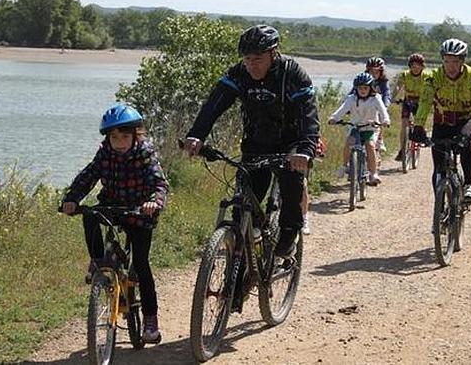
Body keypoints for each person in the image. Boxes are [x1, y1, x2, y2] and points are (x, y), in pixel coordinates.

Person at [183, 24, 320, 259]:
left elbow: (309, 116)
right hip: (256, 143)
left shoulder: (292, 74)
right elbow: (213, 106)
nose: (251, 65)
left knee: (291, 188)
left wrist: (306, 149)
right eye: (247, 59)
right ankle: (239, 277)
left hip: (290, 145)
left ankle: (289, 232)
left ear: (273, 53)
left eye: (257, 59)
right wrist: (197, 135)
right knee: (242, 210)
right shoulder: (239, 74)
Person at [61, 104, 169, 344]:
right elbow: (88, 176)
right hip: (112, 207)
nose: (119, 142)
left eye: (124, 136)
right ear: (108, 138)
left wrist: (154, 202)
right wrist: (71, 198)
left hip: (140, 212)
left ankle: (150, 320)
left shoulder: (145, 153)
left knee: (141, 264)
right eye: (114, 137)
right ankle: (98, 262)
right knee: (90, 215)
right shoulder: (105, 153)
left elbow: (159, 184)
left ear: (135, 135)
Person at [411, 38, 471, 202]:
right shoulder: (433, 78)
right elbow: (425, 101)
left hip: (465, 121)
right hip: (442, 122)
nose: (450, 66)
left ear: (462, 61)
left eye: (455, 61)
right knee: (438, 167)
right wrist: (418, 125)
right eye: (446, 61)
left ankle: (468, 184)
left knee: (466, 145)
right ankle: (440, 205)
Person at [329, 72, 390, 186]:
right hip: (355, 127)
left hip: (370, 128)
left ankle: (373, 173)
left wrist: (385, 120)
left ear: (371, 88)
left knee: (370, 146)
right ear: (356, 88)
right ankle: (345, 166)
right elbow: (342, 109)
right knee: (349, 143)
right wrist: (334, 118)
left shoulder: (376, 98)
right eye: (360, 88)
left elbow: (383, 111)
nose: (362, 90)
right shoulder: (351, 98)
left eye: (365, 88)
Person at [392, 53, 428, 161]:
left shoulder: (426, 76)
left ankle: (422, 135)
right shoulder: (405, 75)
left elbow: (432, 87)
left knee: (419, 122)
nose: (416, 68)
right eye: (413, 66)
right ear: (410, 66)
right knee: (404, 125)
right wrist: (393, 97)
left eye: (418, 65)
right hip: (408, 101)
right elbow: (398, 86)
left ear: (422, 66)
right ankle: (402, 149)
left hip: (421, 102)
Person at [364, 56, 391, 153]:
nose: (374, 74)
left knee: (380, 118)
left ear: (381, 72)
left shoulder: (384, 82)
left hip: (379, 105)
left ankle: (380, 140)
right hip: (366, 105)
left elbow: (387, 94)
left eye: (376, 72)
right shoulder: (363, 81)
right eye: (371, 72)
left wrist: (385, 106)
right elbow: (352, 93)